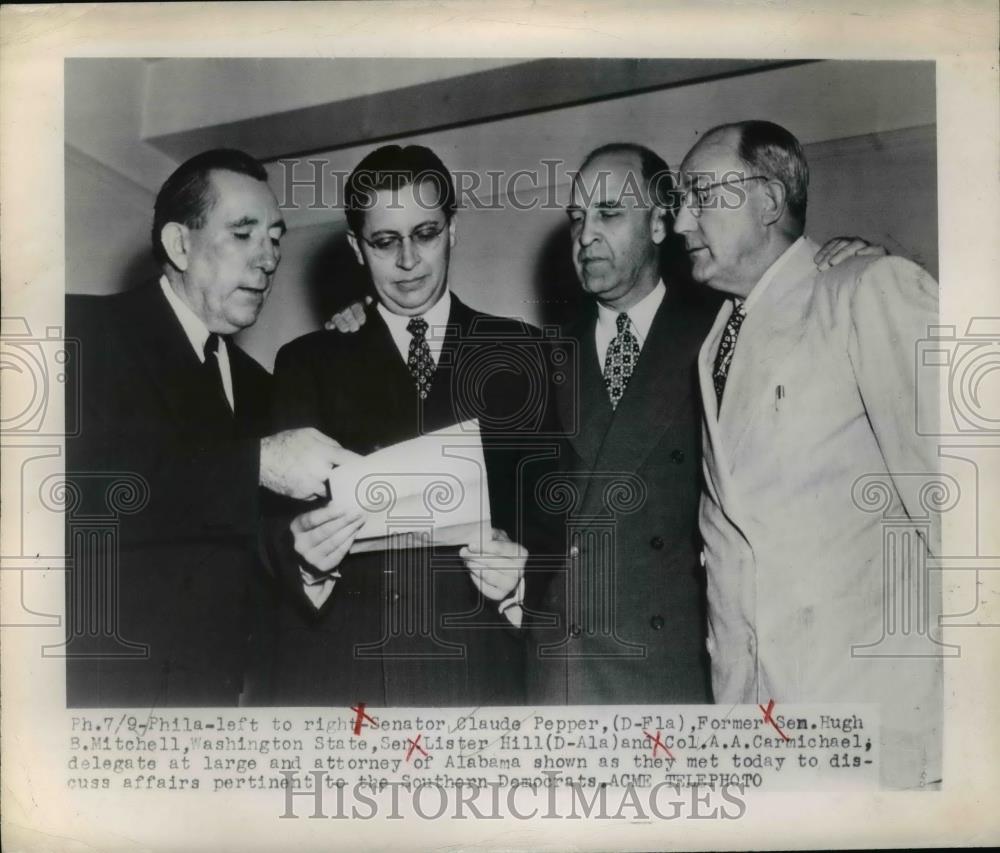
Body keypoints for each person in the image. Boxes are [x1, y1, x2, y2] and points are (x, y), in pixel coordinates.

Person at [328, 142, 877, 706]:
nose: (585, 235)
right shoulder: (536, 354)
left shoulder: (721, 331)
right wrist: (365, 318)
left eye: (610, 214)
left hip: (671, 676)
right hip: (559, 675)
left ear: (663, 222)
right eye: (576, 218)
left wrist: (828, 264)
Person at [674, 120, 941, 788]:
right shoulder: (714, 344)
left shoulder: (867, 290)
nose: (680, 221)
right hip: (758, 729)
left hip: (878, 723)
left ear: (767, 202)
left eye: (698, 195)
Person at [65, 148, 356, 706]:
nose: (268, 259)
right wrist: (258, 464)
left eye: (275, 239)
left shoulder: (259, 384)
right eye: (243, 234)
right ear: (179, 244)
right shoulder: (82, 332)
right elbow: (81, 491)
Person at [265, 144, 550, 706]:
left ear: (453, 230)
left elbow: (554, 513)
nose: (408, 261)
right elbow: (270, 531)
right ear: (355, 247)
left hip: (480, 673)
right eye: (385, 241)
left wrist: (522, 577)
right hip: (347, 678)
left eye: (425, 233)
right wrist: (303, 560)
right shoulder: (307, 360)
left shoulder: (523, 352)